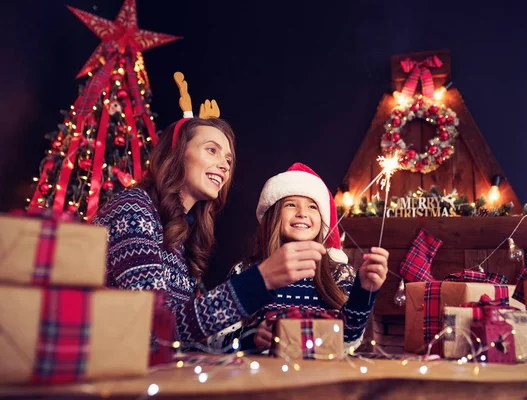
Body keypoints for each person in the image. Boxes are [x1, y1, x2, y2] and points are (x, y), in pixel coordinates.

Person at [93, 73, 324, 350]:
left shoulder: (181, 234)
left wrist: (251, 340)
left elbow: (184, 332)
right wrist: (258, 280)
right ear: (177, 153)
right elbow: (152, 329)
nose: (225, 166)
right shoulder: (132, 210)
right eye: (211, 150)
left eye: (228, 159)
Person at [208, 162, 389, 352]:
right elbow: (216, 340)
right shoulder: (246, 271)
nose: (302, 213)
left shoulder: (338, 273)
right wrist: (251, 336)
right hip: (262, 377)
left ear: (322, 220)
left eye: (312, 207)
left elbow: (347, 339)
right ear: (273, 215)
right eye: (291, 204)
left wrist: (364, 292)